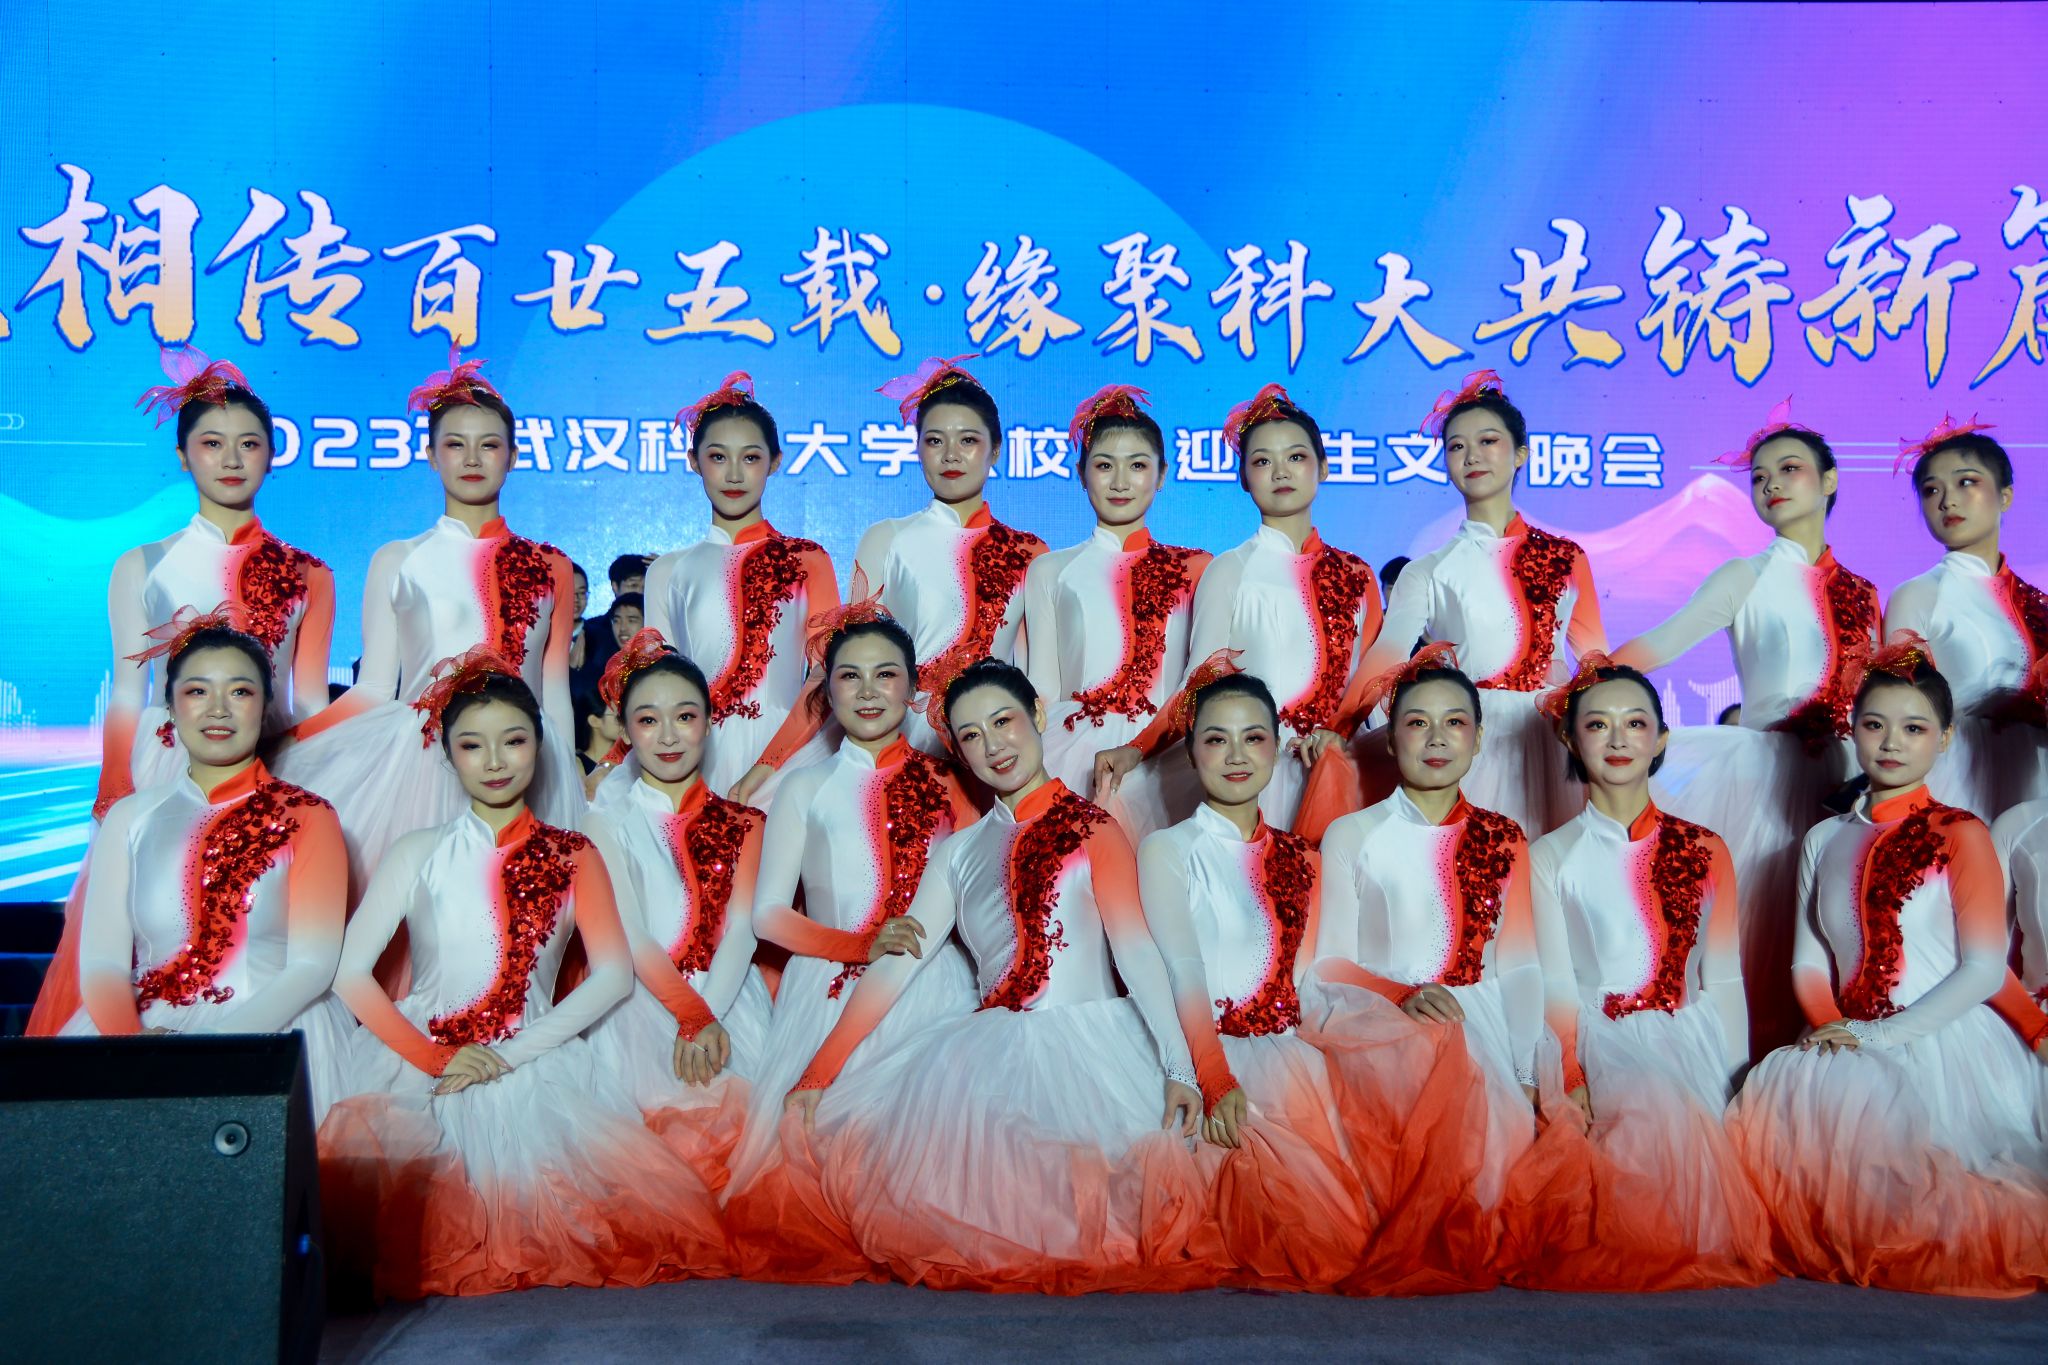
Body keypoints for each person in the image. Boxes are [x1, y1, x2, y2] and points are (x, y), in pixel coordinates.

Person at [781, 660, 1232, 1292]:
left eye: (1003, 721)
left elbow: (1137, 955)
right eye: (971, 735)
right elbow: (895, 969)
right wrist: (817, 1073)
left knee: (1102, 1216)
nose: (992, 745)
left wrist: (1180, 1068)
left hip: (1093, 1055)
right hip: (986, 1059)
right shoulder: (958, 852)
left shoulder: (1094, 827)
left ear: (1037, 715)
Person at [317, 657, 726, 1298]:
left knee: (593, 1223)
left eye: (513, 741)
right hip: (420, 1058)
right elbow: (349, 974)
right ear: (447, 755)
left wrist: (508, 1056)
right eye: (471, 746)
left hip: (536, 1058)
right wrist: (435, 1058)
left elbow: (614, 976)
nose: (495, 761)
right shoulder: (417, 850)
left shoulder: (574, 852)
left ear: (539, 744)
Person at [29, 344, 335, 1036]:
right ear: (182, 456)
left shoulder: (309, 574)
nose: (231, 459)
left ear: (272, 455)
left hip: (276, 768)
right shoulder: (143, 565)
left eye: (249, 444)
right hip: (164, 767)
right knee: (151, 937)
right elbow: (129, 692)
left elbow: (308, 702)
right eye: (211, 443)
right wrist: (115, 785)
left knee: (259, 939)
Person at [1730, 640, 2048, 1295]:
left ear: (1945, 738)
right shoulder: (1822, 839)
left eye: (1914, 728)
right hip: (1844, 1038)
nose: (1892, 743)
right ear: (1852, 730)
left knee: (1955, 1202)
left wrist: (1879, 1036)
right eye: (1875, 724)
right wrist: (1834, 1031)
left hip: (1946, 1041)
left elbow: (1985, 967)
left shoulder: (1963, 833)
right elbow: (1808, 961)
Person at [1607, 399, 1880, 1059]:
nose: (1772, 485)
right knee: (1759, 926)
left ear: (1830, 479)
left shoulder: (1866, 592)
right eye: (1759, 477)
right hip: (1764, 777)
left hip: (1847, 780)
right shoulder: (1746, 575)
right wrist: (1594, 679)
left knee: (1840, 928)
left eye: (1789, 469)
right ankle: (1743, 1068)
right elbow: (1665, 641)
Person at [719, 610, 980, 1282]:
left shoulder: (950, 783)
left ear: (913, 687)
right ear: (826, 691)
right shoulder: (803, 785)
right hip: (826, 983)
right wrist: (861, 945)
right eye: (849, 677)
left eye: (885, 675)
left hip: (931, 982)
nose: (867, 691)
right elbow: (768, 916)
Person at [1500, 658, 1774, 1291]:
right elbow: (1556, 981)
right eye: (1598, 724)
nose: (1618, 739)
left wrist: (1735, 1084)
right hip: (1598, 1038)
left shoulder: (1706, 848)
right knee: (1643, 1115)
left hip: (1693, 1037)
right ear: (1570, 738)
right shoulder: (1548, 856)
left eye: (1635, 723)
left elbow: (1723, 978)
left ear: (1662, 738)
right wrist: (1571, 1076)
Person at [274, 349, 582, 892]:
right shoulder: (398, 559)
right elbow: (374, 688)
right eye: (455, 445)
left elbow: (553, 693)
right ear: (431, 456)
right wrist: (290, 742)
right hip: (422, 765)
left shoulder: (551, 565)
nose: (472, 458)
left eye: (489, 445)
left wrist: (570, 778)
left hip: (529, 759)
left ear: (513, 456)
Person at [1303, 646, 1542, 1293]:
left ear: (1479, 737)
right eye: (1417, 722)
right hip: (1378, 1020)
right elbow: (1328, 959)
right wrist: (1400, 993)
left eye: (1454, 722)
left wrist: (1527, 1073)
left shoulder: (1505, 836)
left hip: (1480, 1023)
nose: (1436, 738)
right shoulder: (1352, 834)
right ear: (1391, 738)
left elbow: (1521, 963)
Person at [63, 615, 352, 1123]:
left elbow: (313, 965)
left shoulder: (311, 816)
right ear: (170, 708)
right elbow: (103, 962)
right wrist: (132, 1045)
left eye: (240, 691)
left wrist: (209, 1052)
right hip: (140, 1035)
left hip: (273, 1035)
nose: (218, 708)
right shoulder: (130, 818)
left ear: (265, 707)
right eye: (197, 691)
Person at [1137, 670, 1373, 1289]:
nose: (1236, 755)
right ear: (1192, 752)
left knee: (1333, 1232)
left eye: (1253, 738)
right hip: (1200, 1053)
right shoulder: (1167, 849)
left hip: (1286, 1056)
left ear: (1276, 744)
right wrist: (1215, 1078)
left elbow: (1317, 974)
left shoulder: (1303, 858)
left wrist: (1398, 997)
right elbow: (1182, 968)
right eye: (1216, 739)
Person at [1303, 370, 1605, 840]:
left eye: (1488, 441)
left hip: (1550, 738)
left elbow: (1595, 661)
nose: (1472, 456)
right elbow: (1387, 655)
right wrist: (1342, 726)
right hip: (1471, 738)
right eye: (1457, 446)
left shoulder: (1568, 558)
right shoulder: (1428, 571)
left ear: (1520, 454)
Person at [1103, 383, 1379, 831]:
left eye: (1296, 457)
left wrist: (1346, 738)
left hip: (1340, 767)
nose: (1280, 472)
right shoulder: (1230, 570)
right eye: (1262, 461)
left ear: (1324, 466)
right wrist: (1139, 747)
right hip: (1260, 770)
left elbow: (1374, 689)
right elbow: (1199, 682)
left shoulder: (1358, 574)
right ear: (1244, 478)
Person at [581, 632, 770, 1193]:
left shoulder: (746, 822)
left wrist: (709, 1013)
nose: (668, 736)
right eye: (648, 720)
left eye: (685, 716)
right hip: (640, 1005)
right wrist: (691, 1015)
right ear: (624, 730)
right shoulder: (602, 824)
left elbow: (743, 929)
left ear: (709, 723)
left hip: (731, 999)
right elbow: (631, 934)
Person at [1022, 384, 1210, 838]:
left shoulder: (1197, 568)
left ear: (1162, 475)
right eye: (1104, 465)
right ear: (1081, 474)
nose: (1120, 482)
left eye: (1138, 466)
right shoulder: (1051, 569)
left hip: (1169, 753)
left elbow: (1200, 678)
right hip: (1072, 752)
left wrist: (1142, 746)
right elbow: (1043, 687)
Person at [642, 374, 839, 806]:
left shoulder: (807, 560)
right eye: (718, 456)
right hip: (694, 756)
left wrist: (766, 768)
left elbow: (826, 676)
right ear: (694, 461)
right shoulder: (667, 571)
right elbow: (655, 687)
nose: (734, 474)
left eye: (750, 457)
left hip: (791, 757)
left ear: (775, 461)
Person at [851, 355, 1046, 754]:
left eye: (968, 440)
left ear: (996, 450)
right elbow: (857, 660)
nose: (950, 455)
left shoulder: (1029, 552)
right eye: (935, 441)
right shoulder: (886, 539)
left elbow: (1034, 674)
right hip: (904, 740)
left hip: (994, 748)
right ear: (918, 448)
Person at [1884, 417, 2048, 822]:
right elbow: (1899, 705)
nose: (1947, 501)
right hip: (1956, 784)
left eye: (1966, 482)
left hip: (2034, 780)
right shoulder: (1918, 595)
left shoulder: (2038, 605)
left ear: (2005, 496)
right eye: (1931, 490)